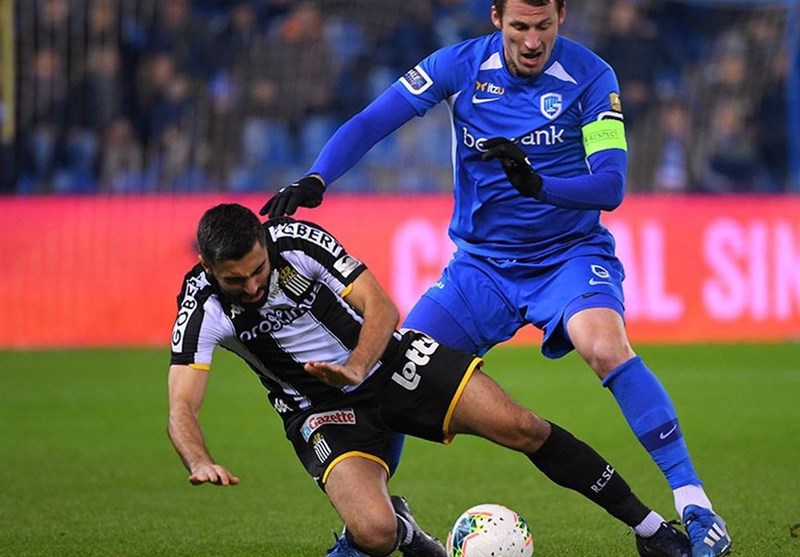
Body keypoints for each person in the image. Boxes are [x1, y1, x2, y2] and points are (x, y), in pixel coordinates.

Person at [260, 1, 732, 556]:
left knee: (605, 346)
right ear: (495, 19)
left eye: (543, 26)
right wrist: (318, 176)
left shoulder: (591, 76)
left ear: (562, 17)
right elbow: (372, 120)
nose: (532, 41)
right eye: (520, 27)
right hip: (480, 269)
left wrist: (539, 186)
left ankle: (696, 506)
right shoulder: (458, 66)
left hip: (567, 257)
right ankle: (370, 529)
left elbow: (610, 186)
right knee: (389, 373)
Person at [167, 203, 692, 557]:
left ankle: (650, 529)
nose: (252, 287)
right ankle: (403, 529)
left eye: (258, 270)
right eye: (235, 280)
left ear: (264, 243)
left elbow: (381, 306)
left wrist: (357, 365)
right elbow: (181, 407)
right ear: (208, 267)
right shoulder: (201, 306)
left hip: (390, 362)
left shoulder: (298, 241)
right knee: (374, 535)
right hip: (319, 411)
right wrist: (199, 459)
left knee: (523, 426)